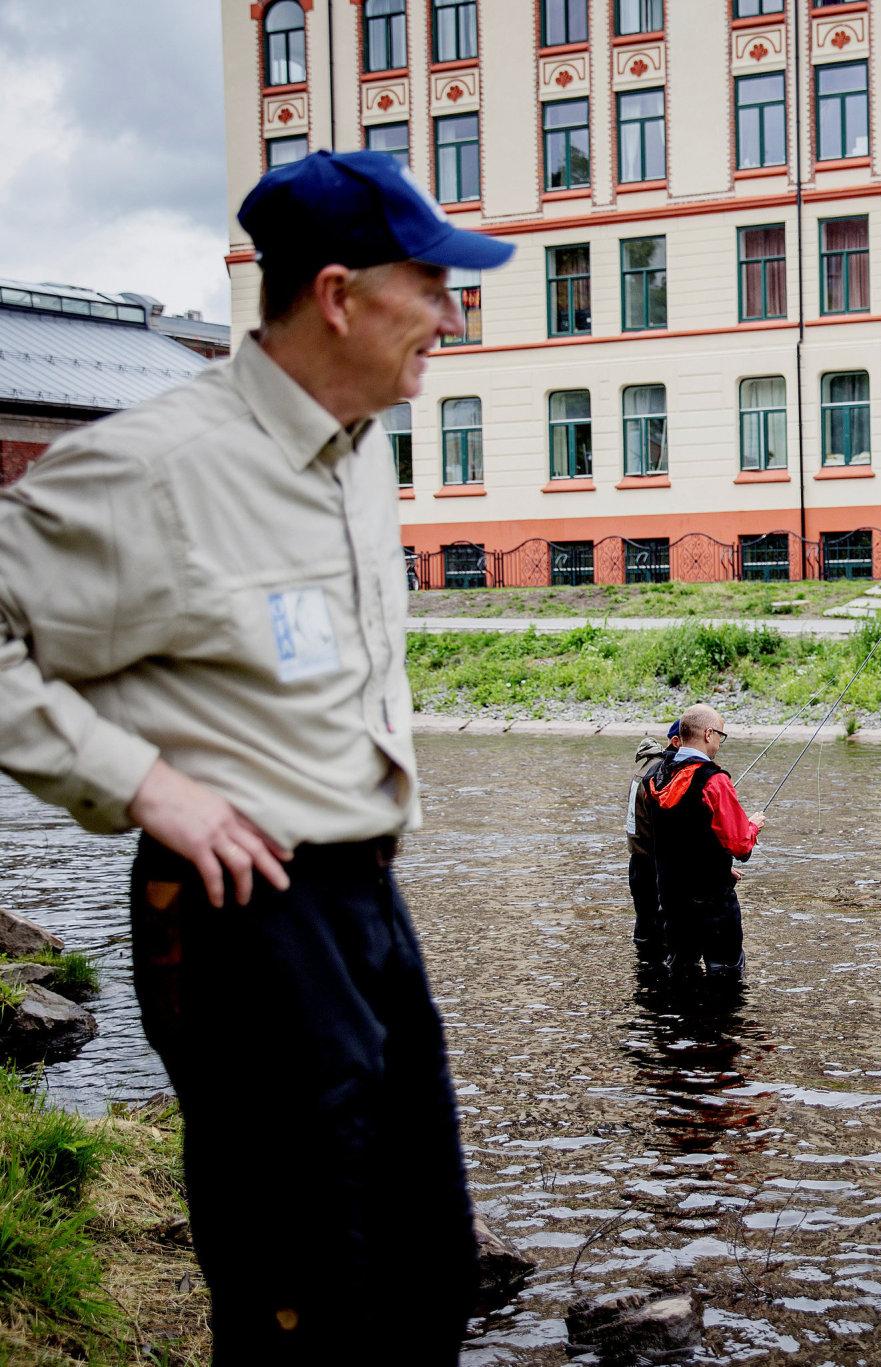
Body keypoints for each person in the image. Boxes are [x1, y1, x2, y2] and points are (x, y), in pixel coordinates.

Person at [0, 150, 513, 1361]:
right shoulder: (156, 466)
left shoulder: (361, 446)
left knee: (429, 1263)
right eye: (432, 286)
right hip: (240, 910)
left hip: (366, 897)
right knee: (305, 1288)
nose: (453, 316)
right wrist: (141, 781)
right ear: (336, 296)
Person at [643, 705, 765, 984]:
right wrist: (754, 825)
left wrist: (718, 865)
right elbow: (740, 846)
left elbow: (670, 840)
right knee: (726, 976)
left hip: (672, 899)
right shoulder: (715, 781)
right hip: (712, 903)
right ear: (708, 734)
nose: (720, 742)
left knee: (681, 973)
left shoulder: (654, 777)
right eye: (720, 735)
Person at [627, 719, 681, 963]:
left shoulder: (646, 767)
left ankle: (647, 986)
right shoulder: (660, 773)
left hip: (638, 862)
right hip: (653, 863)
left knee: (645, 931)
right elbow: (667, 826)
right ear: (676, 742)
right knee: (659, 935)